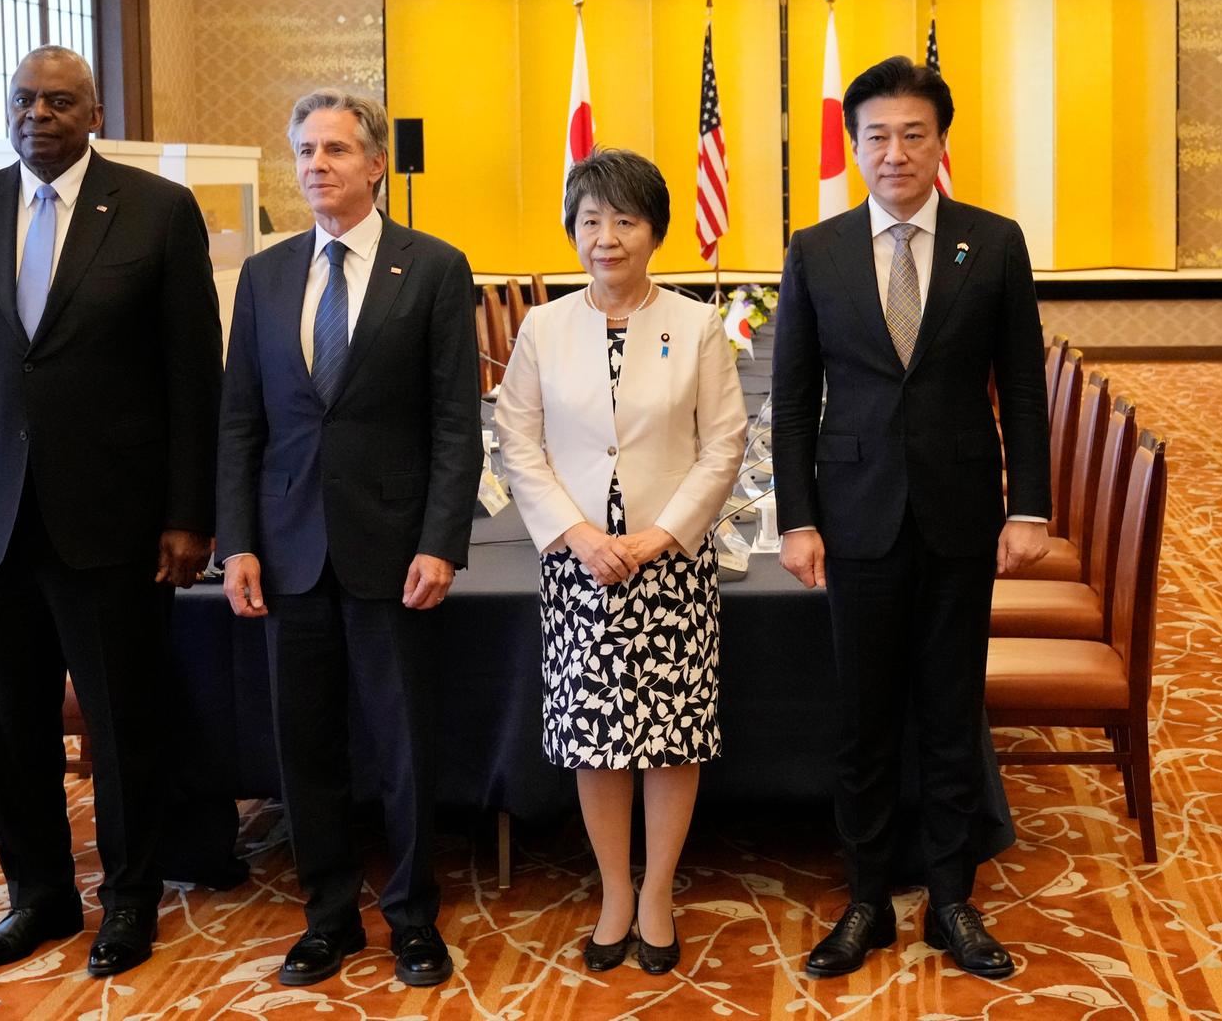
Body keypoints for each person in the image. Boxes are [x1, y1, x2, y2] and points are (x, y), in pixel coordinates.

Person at [0, 46, 222, 977]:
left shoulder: (158, 211)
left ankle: (129, 898)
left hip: (117, 522)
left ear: (94, 113)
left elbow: (189, 377)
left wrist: (189, 513)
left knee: (126, 718)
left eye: (58, 101)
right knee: (8, 724)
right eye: (22, 100)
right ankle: (38, 895)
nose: (36, 114)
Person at [772, 56, 1050, 982]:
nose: (895, 152)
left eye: (913, 134)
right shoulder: (817, 249)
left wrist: (1031, 506)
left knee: (946, 706)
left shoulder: (994, 242)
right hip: (853, 520)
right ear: (853, 147)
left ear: (941, 142)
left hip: (962, 513)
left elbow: (1021, 385)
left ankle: (954, 897)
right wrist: (797, 518)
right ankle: (863, 898)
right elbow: (792, 396)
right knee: (862, 714)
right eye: (877, 136)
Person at [215, 89, 481, 989]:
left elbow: (456, 423)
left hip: (395, 549)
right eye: (303, 150)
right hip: (288, 552)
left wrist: (443, 540)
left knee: (405, 743)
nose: (315, 165)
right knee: (307, 746)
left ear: (375, 164)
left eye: (334, 149)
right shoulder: (267, 274)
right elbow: (240, 421)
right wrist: (238, 540)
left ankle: (412, 918)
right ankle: (327, 916)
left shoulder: (436, 268)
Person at [492, 150, 747, 976]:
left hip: (669, 564)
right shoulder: (543, 327)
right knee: (597, 738)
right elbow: (517, 445)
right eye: (591, 220)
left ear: (655, 231)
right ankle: (611, 889)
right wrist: (576, 534)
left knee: (672, 737)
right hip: (578, 564)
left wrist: (663, 535)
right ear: (573, 231)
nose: (607, 237)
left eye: (625, 220)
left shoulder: (695, 325)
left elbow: (724, 446)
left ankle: (659, 890)